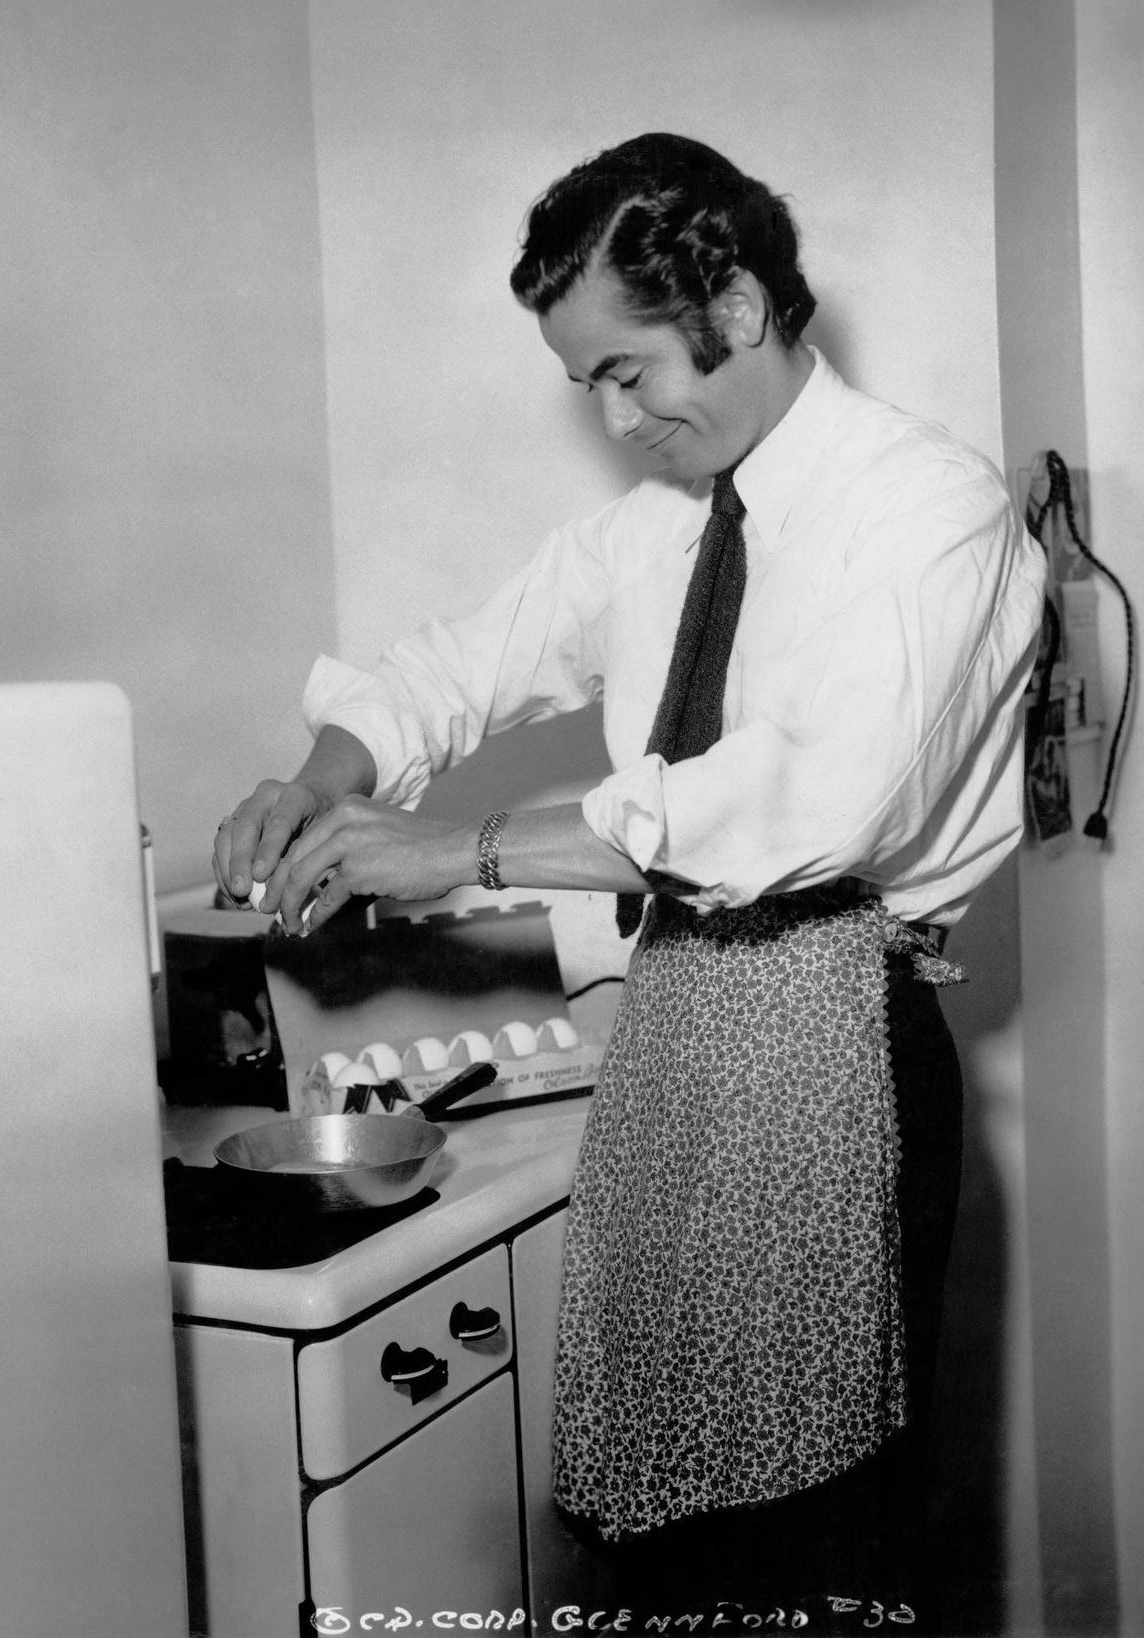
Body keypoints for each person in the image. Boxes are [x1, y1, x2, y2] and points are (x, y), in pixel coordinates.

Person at [213, 134, 1046, 1628]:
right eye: (584, 384)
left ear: (731, 302)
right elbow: (464, 661)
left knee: (810, 1540)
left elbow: (802, 798)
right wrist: (323, 778)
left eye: (626, 368)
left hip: (840, 1046)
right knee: (661, 1524)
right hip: (678, 1041)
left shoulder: (931, 511)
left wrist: (456, 848)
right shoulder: (660, 526)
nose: (614, 415)